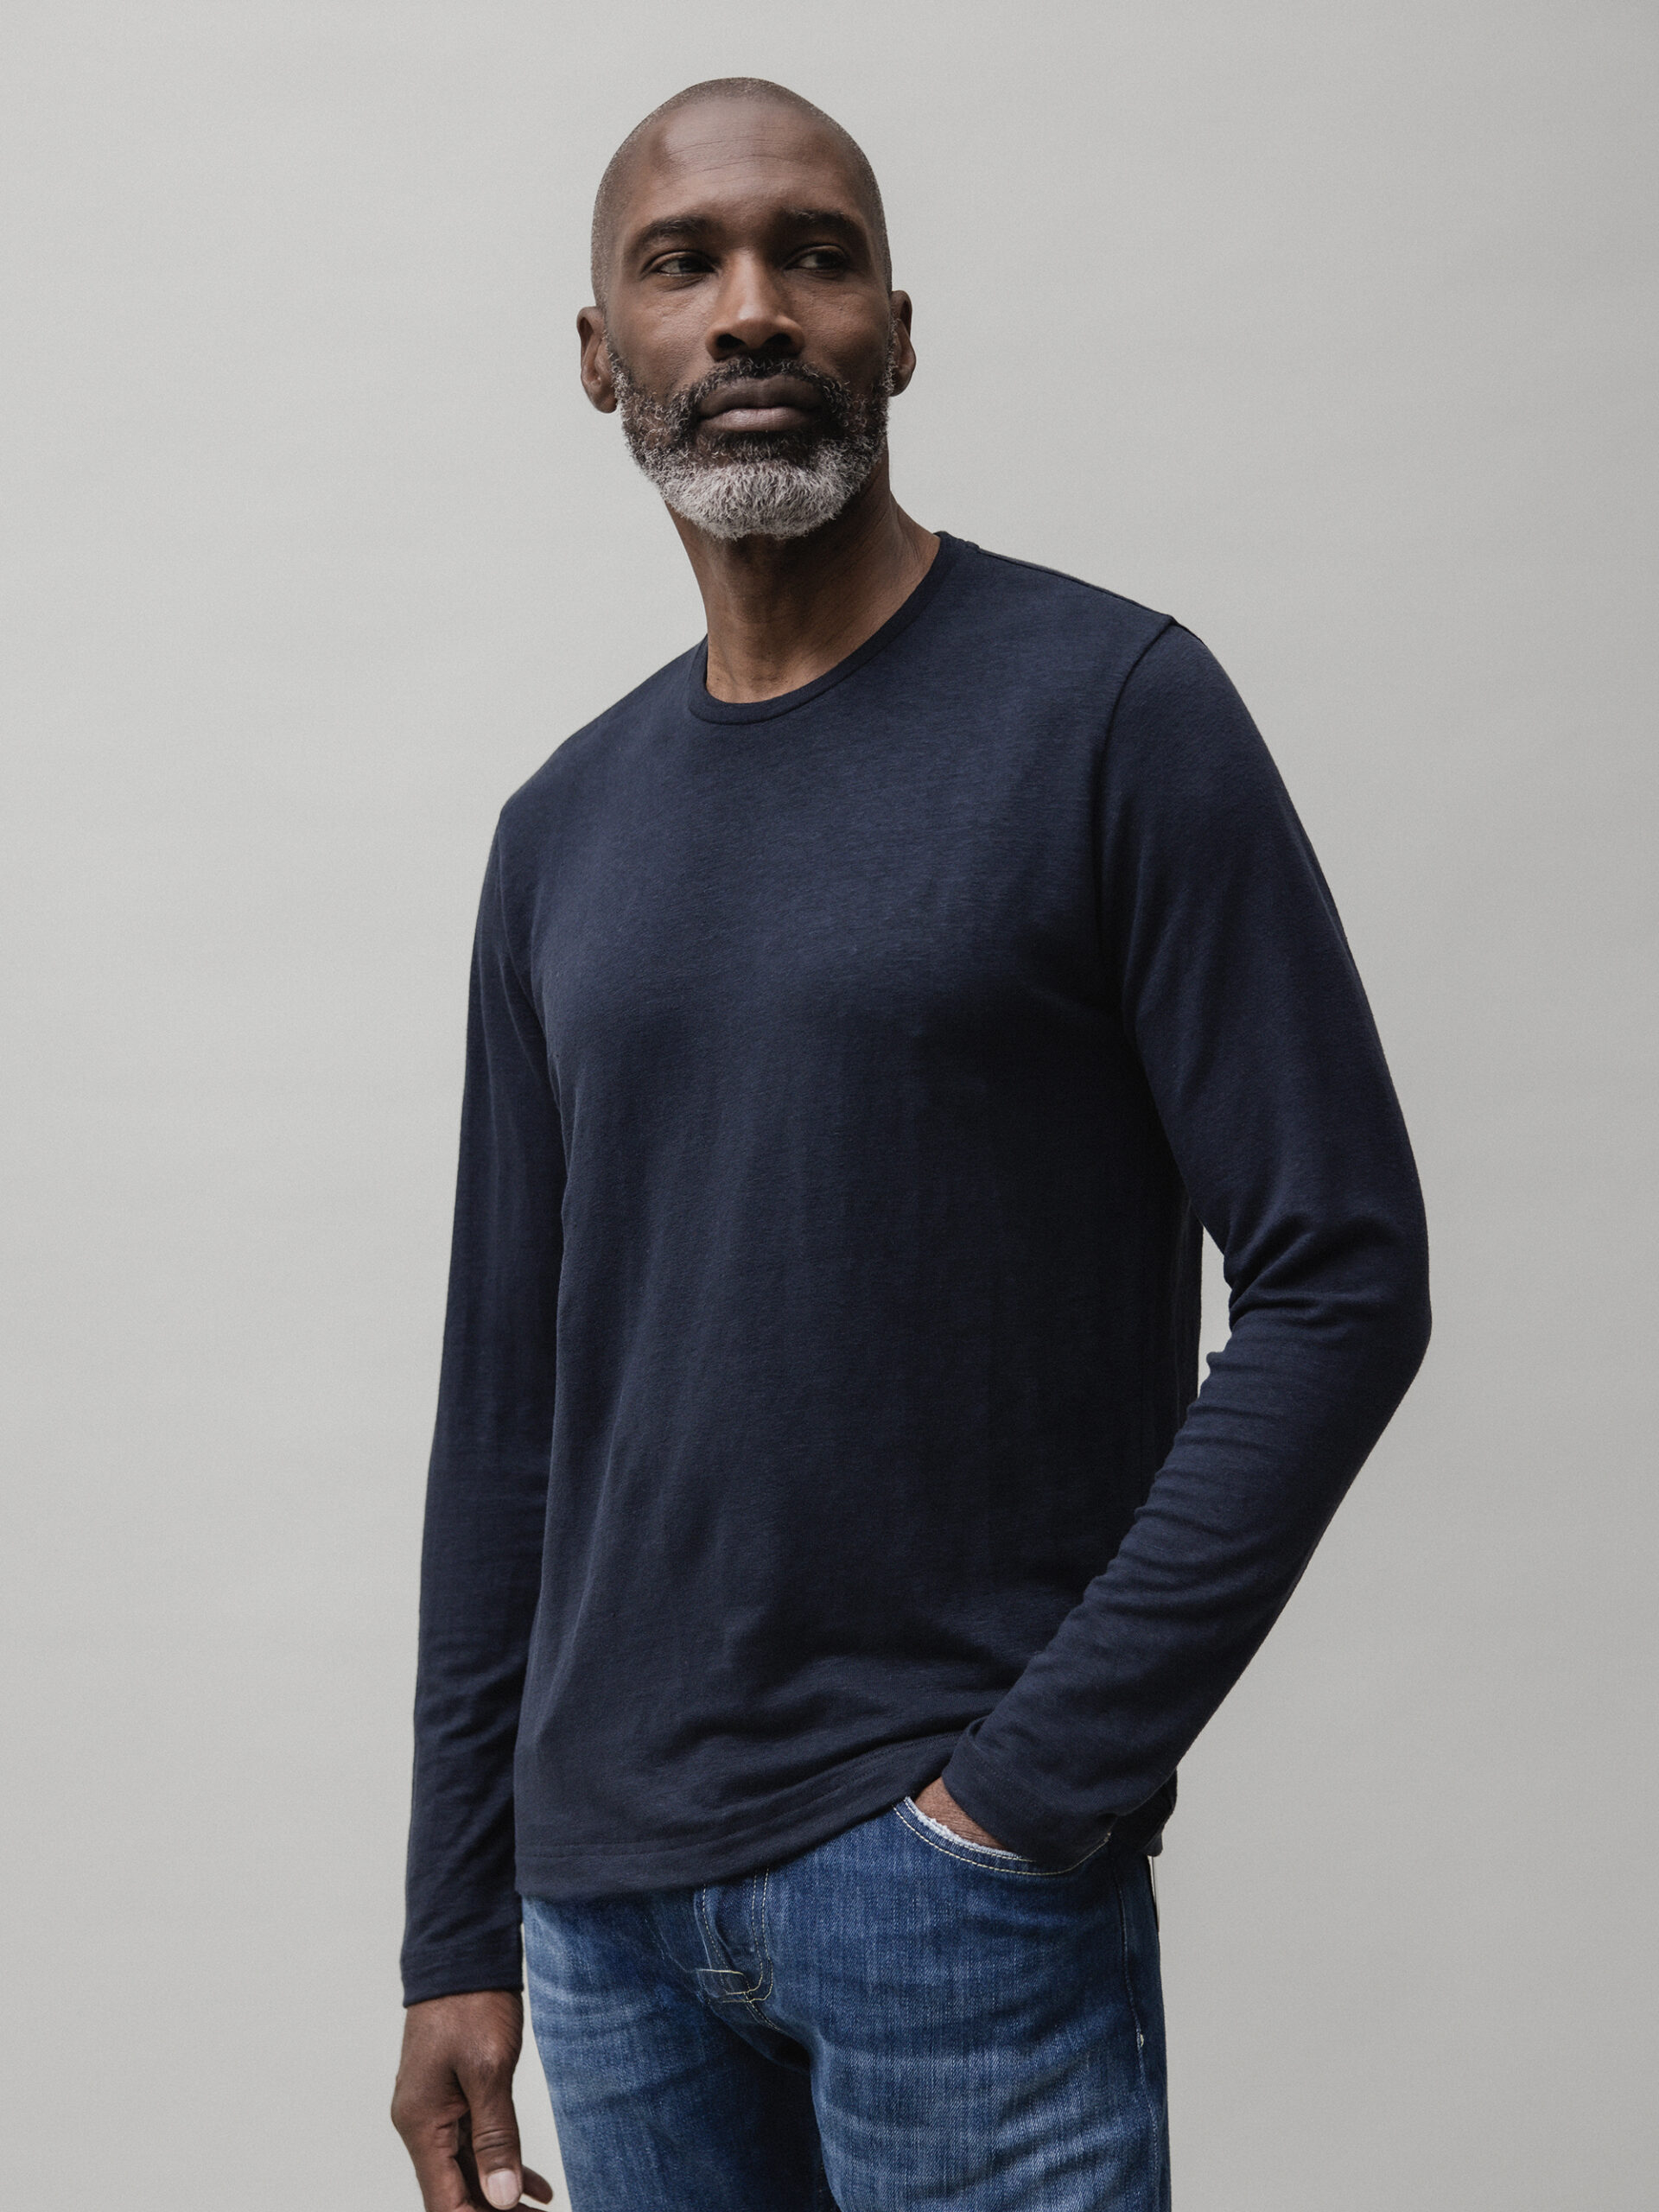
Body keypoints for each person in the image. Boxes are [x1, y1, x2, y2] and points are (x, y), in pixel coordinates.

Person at [390, 75, 1430, 2212]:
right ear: (600, 350)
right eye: (683, 263)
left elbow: (1344, 1269)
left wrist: (1032, 1786)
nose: (752, 308)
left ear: (899, 331)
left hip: (955, 1888)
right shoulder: (560, 831)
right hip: (607, 1922)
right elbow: (507, 1408)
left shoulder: (1113, 711)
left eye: (817, 255)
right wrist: (455, 1922)